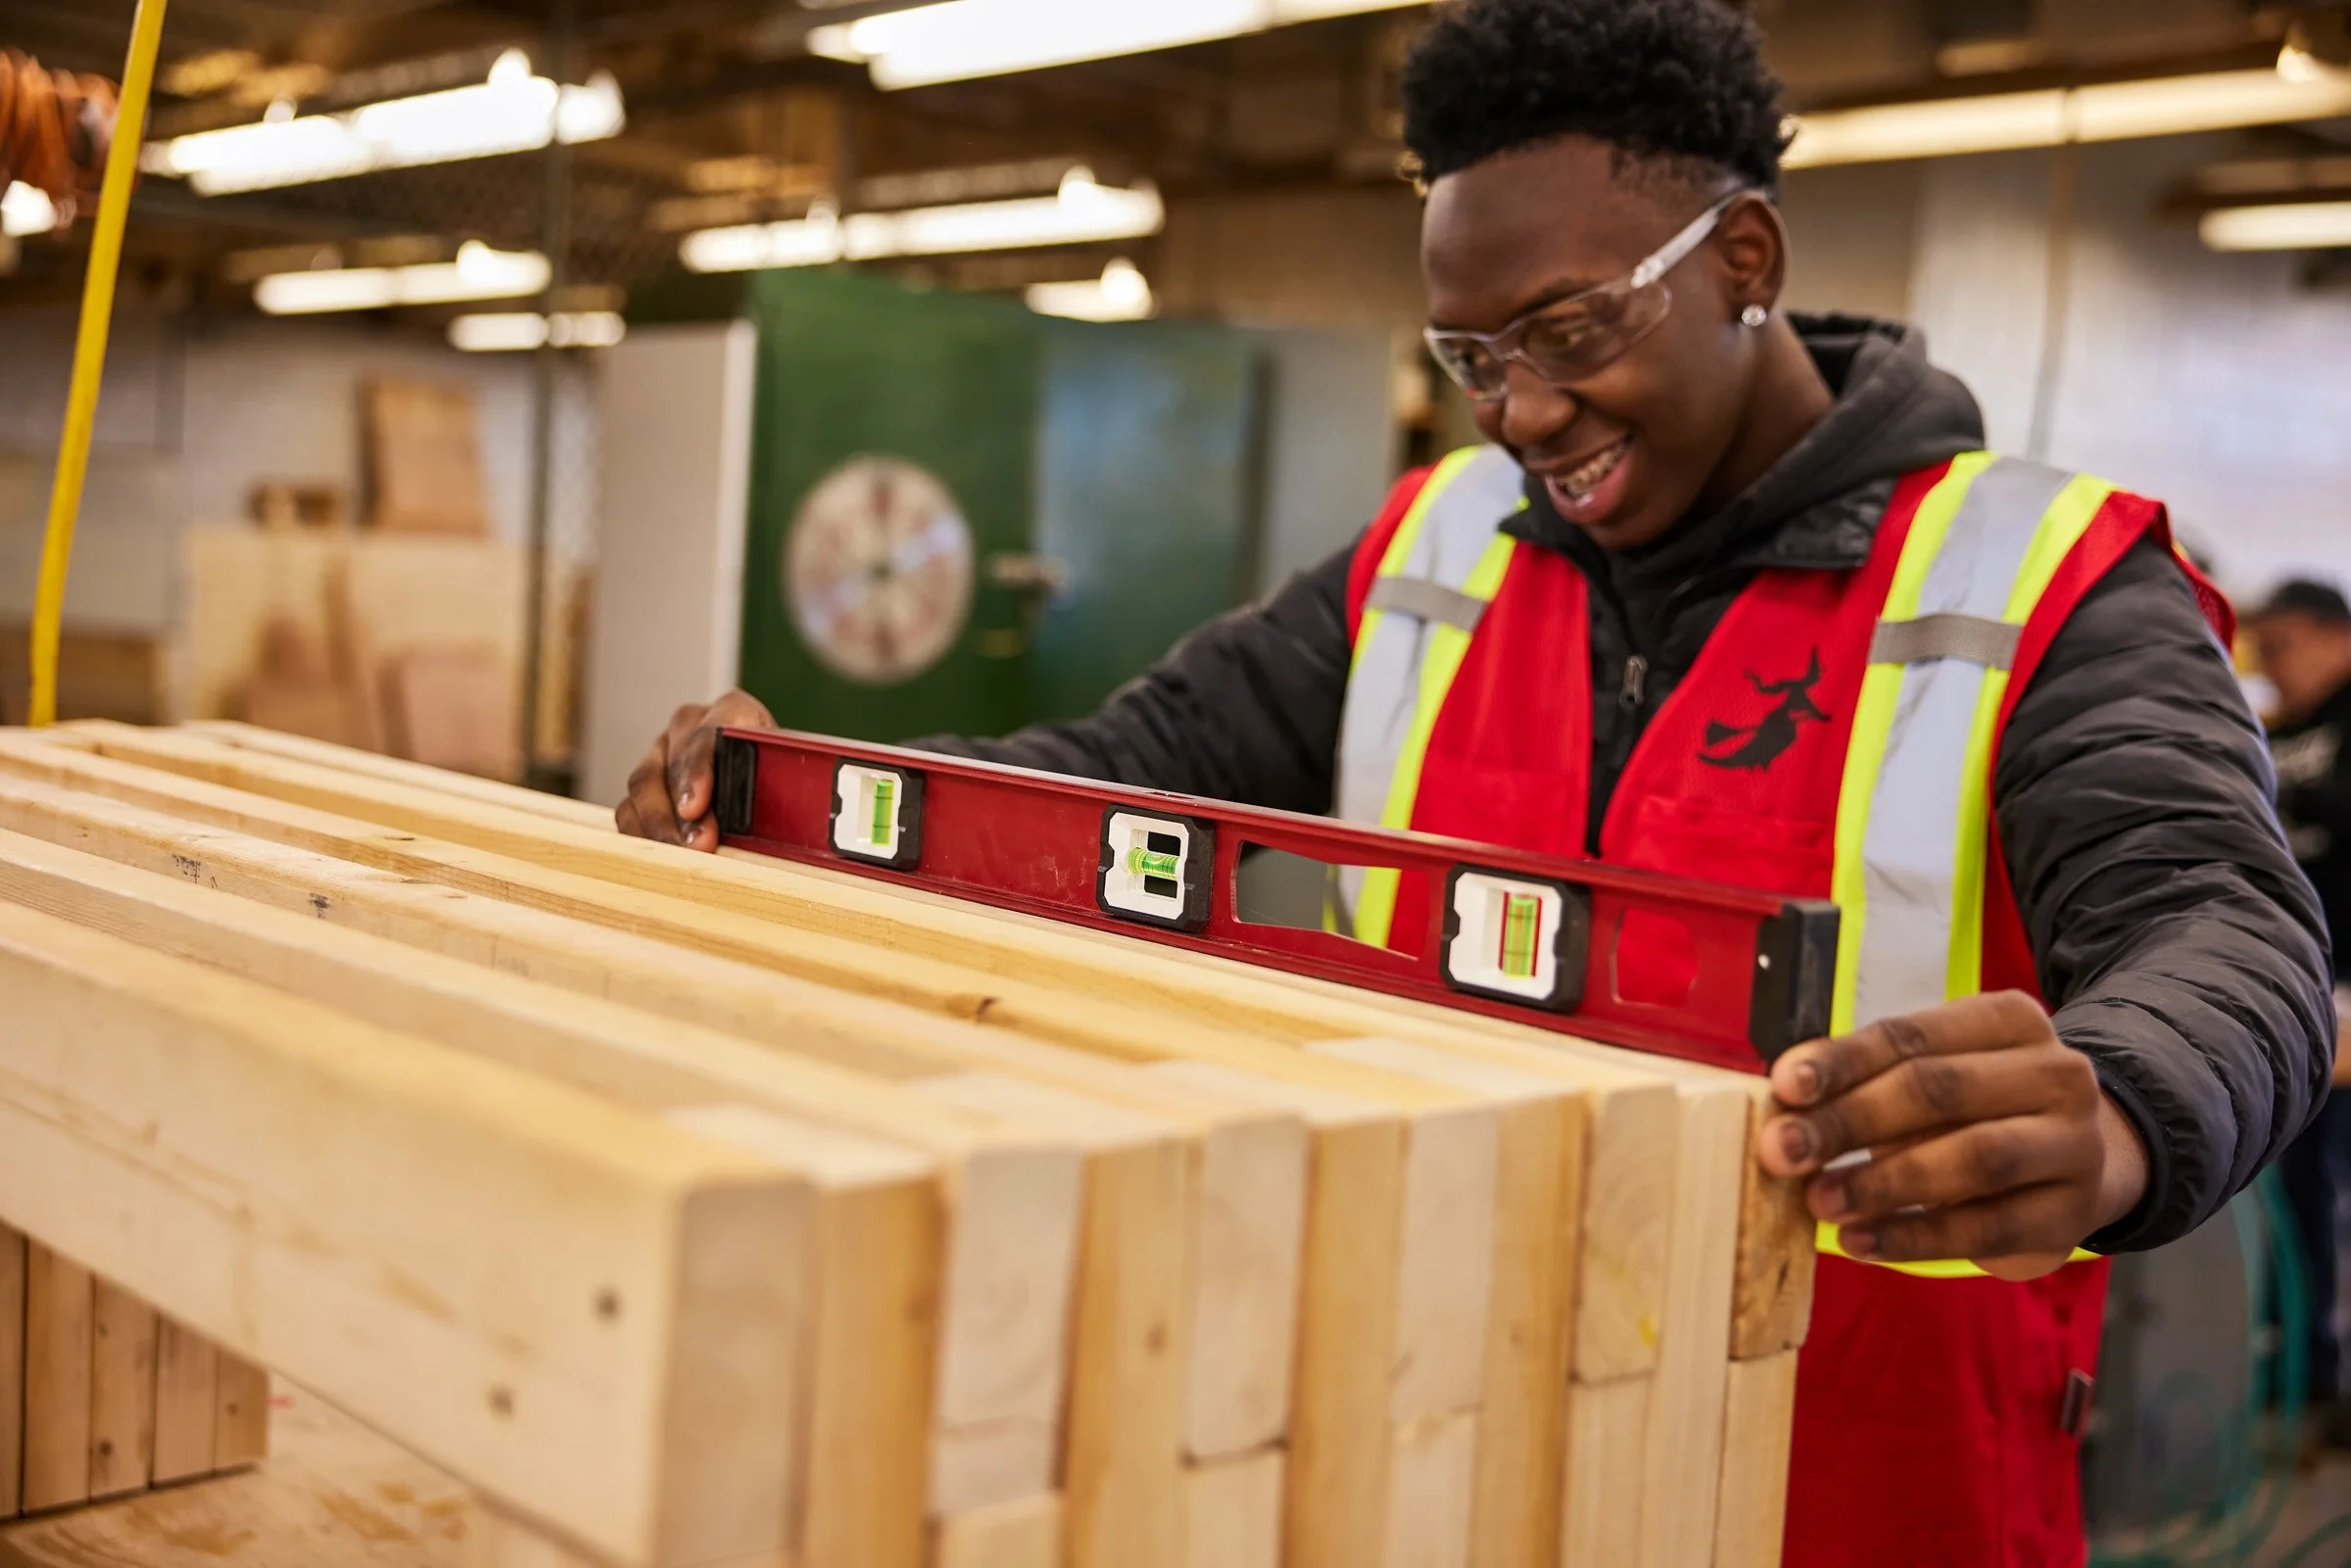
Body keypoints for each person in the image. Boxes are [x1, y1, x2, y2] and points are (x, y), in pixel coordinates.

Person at [620, 1, 2334, 1561]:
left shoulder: (2035, 583)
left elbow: (2230, 933)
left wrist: (2124, 1100)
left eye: (1565, 330)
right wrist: (799, 795)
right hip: (1450, 1439)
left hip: (1851, 1486)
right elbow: (1116, 774)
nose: (1517, 411)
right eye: (1470, 358)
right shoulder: (1429, 560)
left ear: (1743, 255)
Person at [2250, 581, 2351, 1447]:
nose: (2270, 669)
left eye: (2282, 646)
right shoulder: (2268, 733)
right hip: (2296, 994)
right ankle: (2303, 1364)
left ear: (2336, 635)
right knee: (2299, 1182)